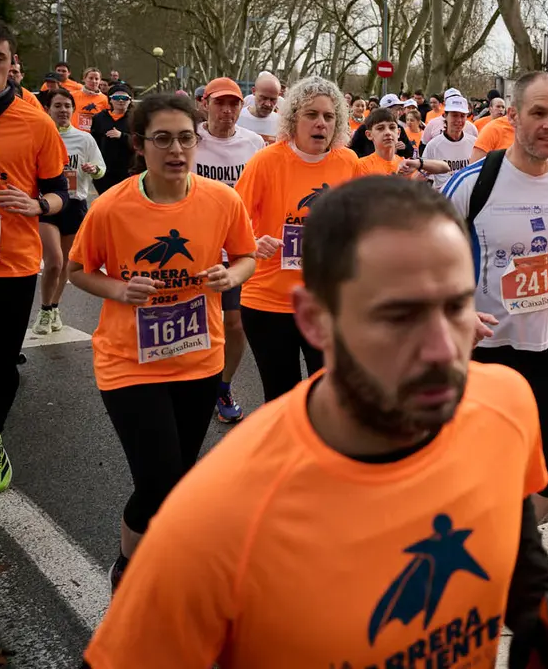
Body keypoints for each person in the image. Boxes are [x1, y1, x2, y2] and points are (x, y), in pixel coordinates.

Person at [82, 177, 548, 669]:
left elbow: (512, 524)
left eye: (456, 306)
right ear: (314, 319)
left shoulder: (504, 402)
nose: (443, 349)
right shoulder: (216, 516)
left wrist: (541, 617)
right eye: (398, 317)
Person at [66, 93, 257, 589]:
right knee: (156, 481)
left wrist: (228, 275)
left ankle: (163, 562)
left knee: (175, 478)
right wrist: (120, 289)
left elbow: (246, 257)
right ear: (139, 144)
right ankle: (130, 568)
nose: (177, 149)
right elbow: (79, 271)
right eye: (163, 139)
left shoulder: (222, 200)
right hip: (128, 363)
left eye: (186, 138)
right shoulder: (112, 207)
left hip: (198, 360)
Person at [444, 71, 548, 522]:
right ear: (513, 116)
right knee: (475, 473)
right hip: (483, 351)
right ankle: (485, 555)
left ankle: (515, 546)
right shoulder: (474, 185)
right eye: (538, 113)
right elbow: (428, 262)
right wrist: (455, 311)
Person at [0, 18, 71, 494]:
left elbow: (60, 193)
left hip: (9, 264)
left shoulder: (35, 122)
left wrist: (36, 204)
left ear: (12, 63)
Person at [235, 76, 360, 402]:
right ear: (293, 119)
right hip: (269, 301)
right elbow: (232, 222)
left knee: (330, 394)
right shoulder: (266, 161)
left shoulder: (347, 162)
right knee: (282, 398)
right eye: (311, 115)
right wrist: (251, 243)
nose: (321, 123)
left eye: (329, 116)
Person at [193, 77, 268, 424]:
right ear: (204, 103)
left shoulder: (253, 144)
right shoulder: (190, 140)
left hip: (235, 248)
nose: (227, 111)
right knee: (192, 324)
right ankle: (189, 386)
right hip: (192, 247)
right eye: (219, 103)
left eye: (234, 104)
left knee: (235, 325)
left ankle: (222, 386)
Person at [31, 88, 105, 336]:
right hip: (48, 204)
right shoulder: (40, 136)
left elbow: (101, 169)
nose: (63, 111)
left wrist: (93, 168)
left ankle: (54, 307)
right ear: (48, 109)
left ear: (73, 110)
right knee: (54, 261)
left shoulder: (84, 139)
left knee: (64, 265)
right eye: (58, 106)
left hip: (74, 204)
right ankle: (43, 310)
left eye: (67, 106)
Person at [420, 93, 477, 191]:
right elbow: (424, 177)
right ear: (445, 116)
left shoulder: (474, 143)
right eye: (454, 115)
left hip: (467, 198)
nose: (459, 120)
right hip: (443, 200)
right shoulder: (433, 145)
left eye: (463, 116)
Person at [356, 107, 432, 177]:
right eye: (380, 128)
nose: (388, 132)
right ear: (369, 135)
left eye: (392, 127)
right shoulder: (361, 165)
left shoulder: (406, 166)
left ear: (398, 133)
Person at [90, 83, 134, 194]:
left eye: (124, 98)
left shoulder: (136, 118)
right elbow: (94, 142)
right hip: (104, 169)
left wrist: (122, 136)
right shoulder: (99, 118)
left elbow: (143, 142)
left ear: (130, 100)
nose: (121, 101)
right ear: (110, 100)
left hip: (127, 170)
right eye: (116, 98)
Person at [236, 71, 282, 143]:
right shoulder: (237, 118)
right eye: (263, 98)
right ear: (254, 91)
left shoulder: (282, 124)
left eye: (273, 99)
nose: (268, 104)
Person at [69, 67, 107, 132]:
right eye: (91, 78)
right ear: (84, 79)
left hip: (94, 135)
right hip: (75, 133)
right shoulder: (72, 95)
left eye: (96, 79)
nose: (94, 81)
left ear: (100, 81)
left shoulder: (105, 99)